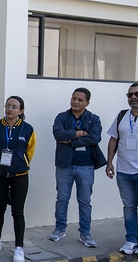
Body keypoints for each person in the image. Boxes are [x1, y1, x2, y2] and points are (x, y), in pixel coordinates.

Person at [0, 96, 36, 262]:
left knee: (18, 212)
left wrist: (20, 164)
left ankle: (19, 247)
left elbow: (29, 151)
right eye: (8, 106)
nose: (10, 109)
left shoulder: (27, 129)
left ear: (21, 111)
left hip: (19, 176)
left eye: (14, 107)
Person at [48, 87, 101, 248]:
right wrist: (80, 133)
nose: (75, 102)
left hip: (86, 166)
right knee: (62, 198)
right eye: (74, 98)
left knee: (85, 201)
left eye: (80, 100)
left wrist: (71, 141)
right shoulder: (62, 117)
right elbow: (58, 134)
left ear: (87, 102)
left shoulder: (93, 119)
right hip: (65, 164)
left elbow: (95, 137)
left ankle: (85, 233)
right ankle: (59, 229)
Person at [105, 83, 138, 257]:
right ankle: (131, 240)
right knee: (128, 207)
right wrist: (109, 163)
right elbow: (113, 140)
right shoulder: (122, 115)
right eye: (130, 94)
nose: (133, 97)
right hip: (124, 172)